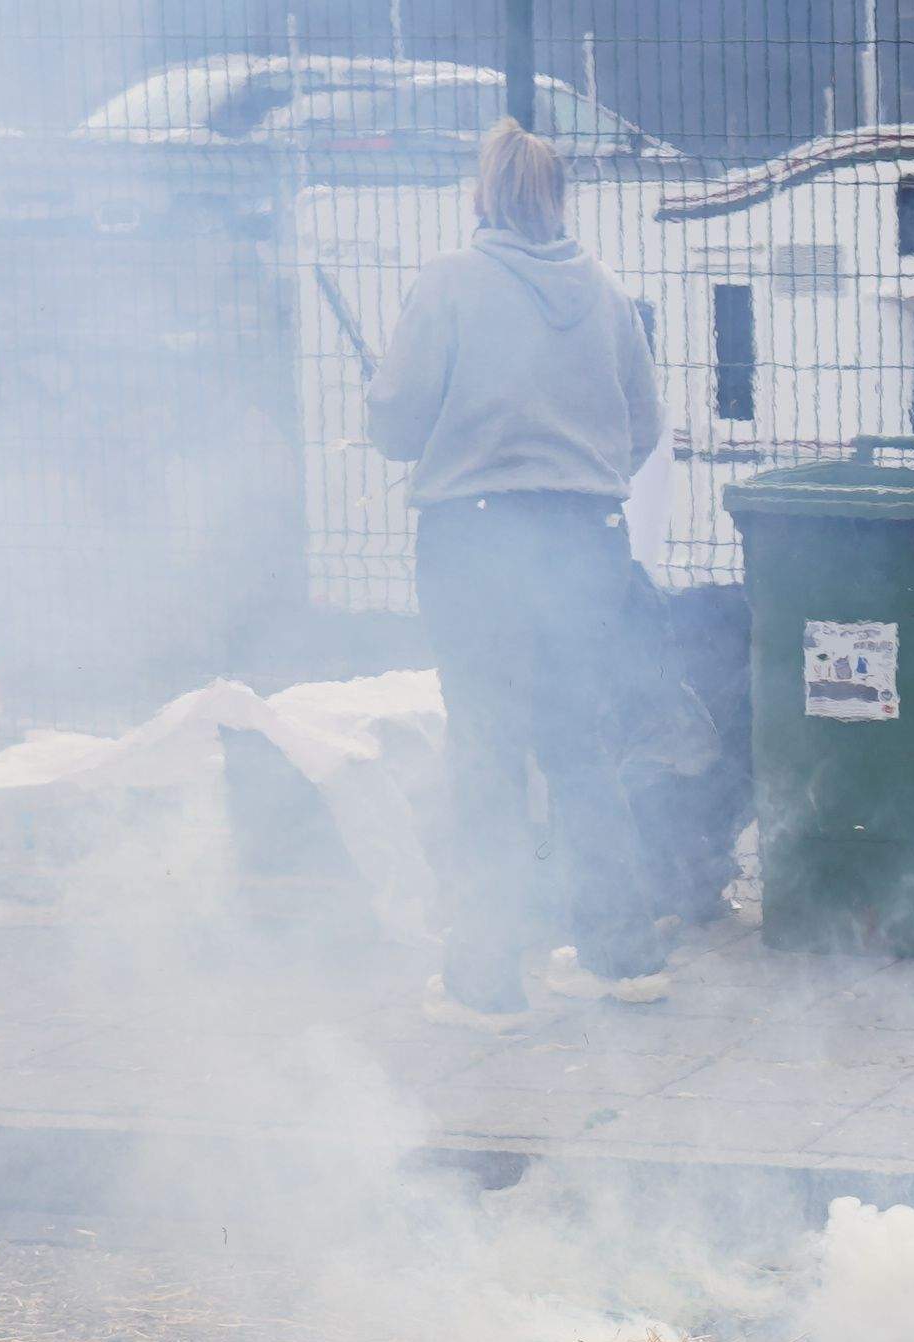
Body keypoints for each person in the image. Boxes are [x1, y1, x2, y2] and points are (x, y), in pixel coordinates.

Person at [367, 118, 668, 1025]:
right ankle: (624, 958)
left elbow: (393, 424)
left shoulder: (450, 284)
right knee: (580, 745)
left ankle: (485, 983)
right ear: (558, 197)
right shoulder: (607, 292)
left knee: (488, 753)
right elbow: (644, 427)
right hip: (587, 536)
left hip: (479, 540)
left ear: (482, 195)